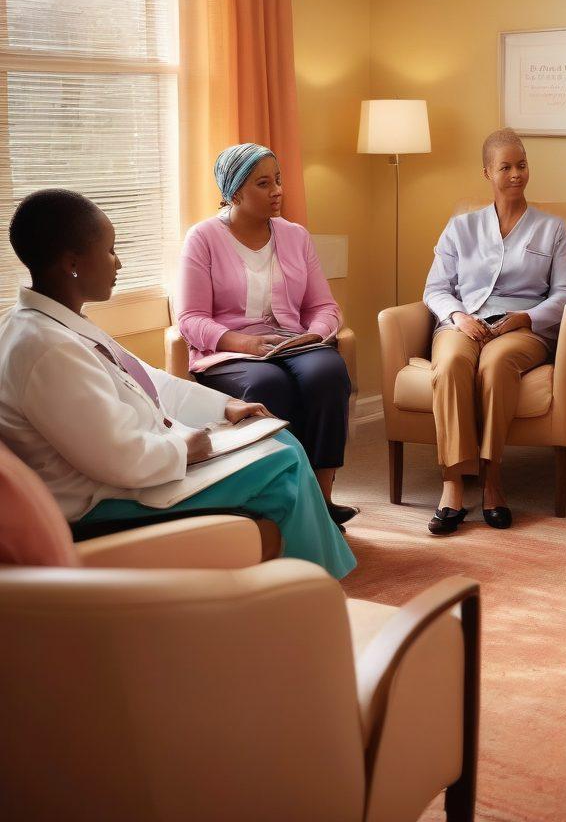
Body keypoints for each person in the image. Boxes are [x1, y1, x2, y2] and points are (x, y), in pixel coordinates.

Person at [0, 190, 355, 579]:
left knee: (281, 442)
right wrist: (187, 447)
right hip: (104, 500)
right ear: (72, 263)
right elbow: (120, 460)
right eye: (110, 251)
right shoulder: (45, 349)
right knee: (283, 463)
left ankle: (302, 583)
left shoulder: (59, 323)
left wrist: (223, 407)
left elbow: (145, 379)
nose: (119, 262)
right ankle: (315, 588)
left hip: (137, 467)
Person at [177, 144, 357, 527]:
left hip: (292, 342)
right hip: (231, 351)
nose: (277, 190)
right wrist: (242, 342)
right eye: (264, 183)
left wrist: (315, 335)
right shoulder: (202, 238)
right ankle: (283, 503)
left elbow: (324, 306)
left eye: (278, 180)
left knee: (327, 373)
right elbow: (190, 319)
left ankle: (321, 500)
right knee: (267, 384)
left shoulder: (295, 236)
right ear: (235, 192)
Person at [422, 128, 566, 535]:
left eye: (522, 164)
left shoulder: (553, 228)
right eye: (505, 167)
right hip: (464, 321)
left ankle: (492, 481)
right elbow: (435, 289)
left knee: (496, 364)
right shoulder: (461, 227)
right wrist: (458, 317)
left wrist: (526, 319)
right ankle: (453, 482)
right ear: (487, 173)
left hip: (522, 328)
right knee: (453, 363)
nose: (516, 174)